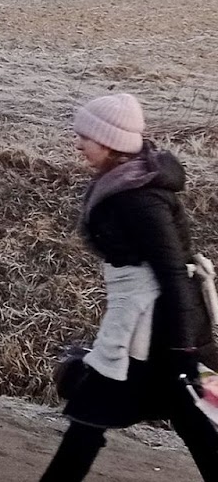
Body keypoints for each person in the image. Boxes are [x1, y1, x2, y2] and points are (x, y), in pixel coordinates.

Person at [38, 93, 218, 481]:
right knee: (187, 420)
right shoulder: (126, 183)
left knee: (93, 415)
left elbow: (172, 270)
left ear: (109, 142)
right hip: (149, 324)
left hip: (156, 329)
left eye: (85, 136)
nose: (77, 144)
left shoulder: (139, 198)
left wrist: (186, 348)